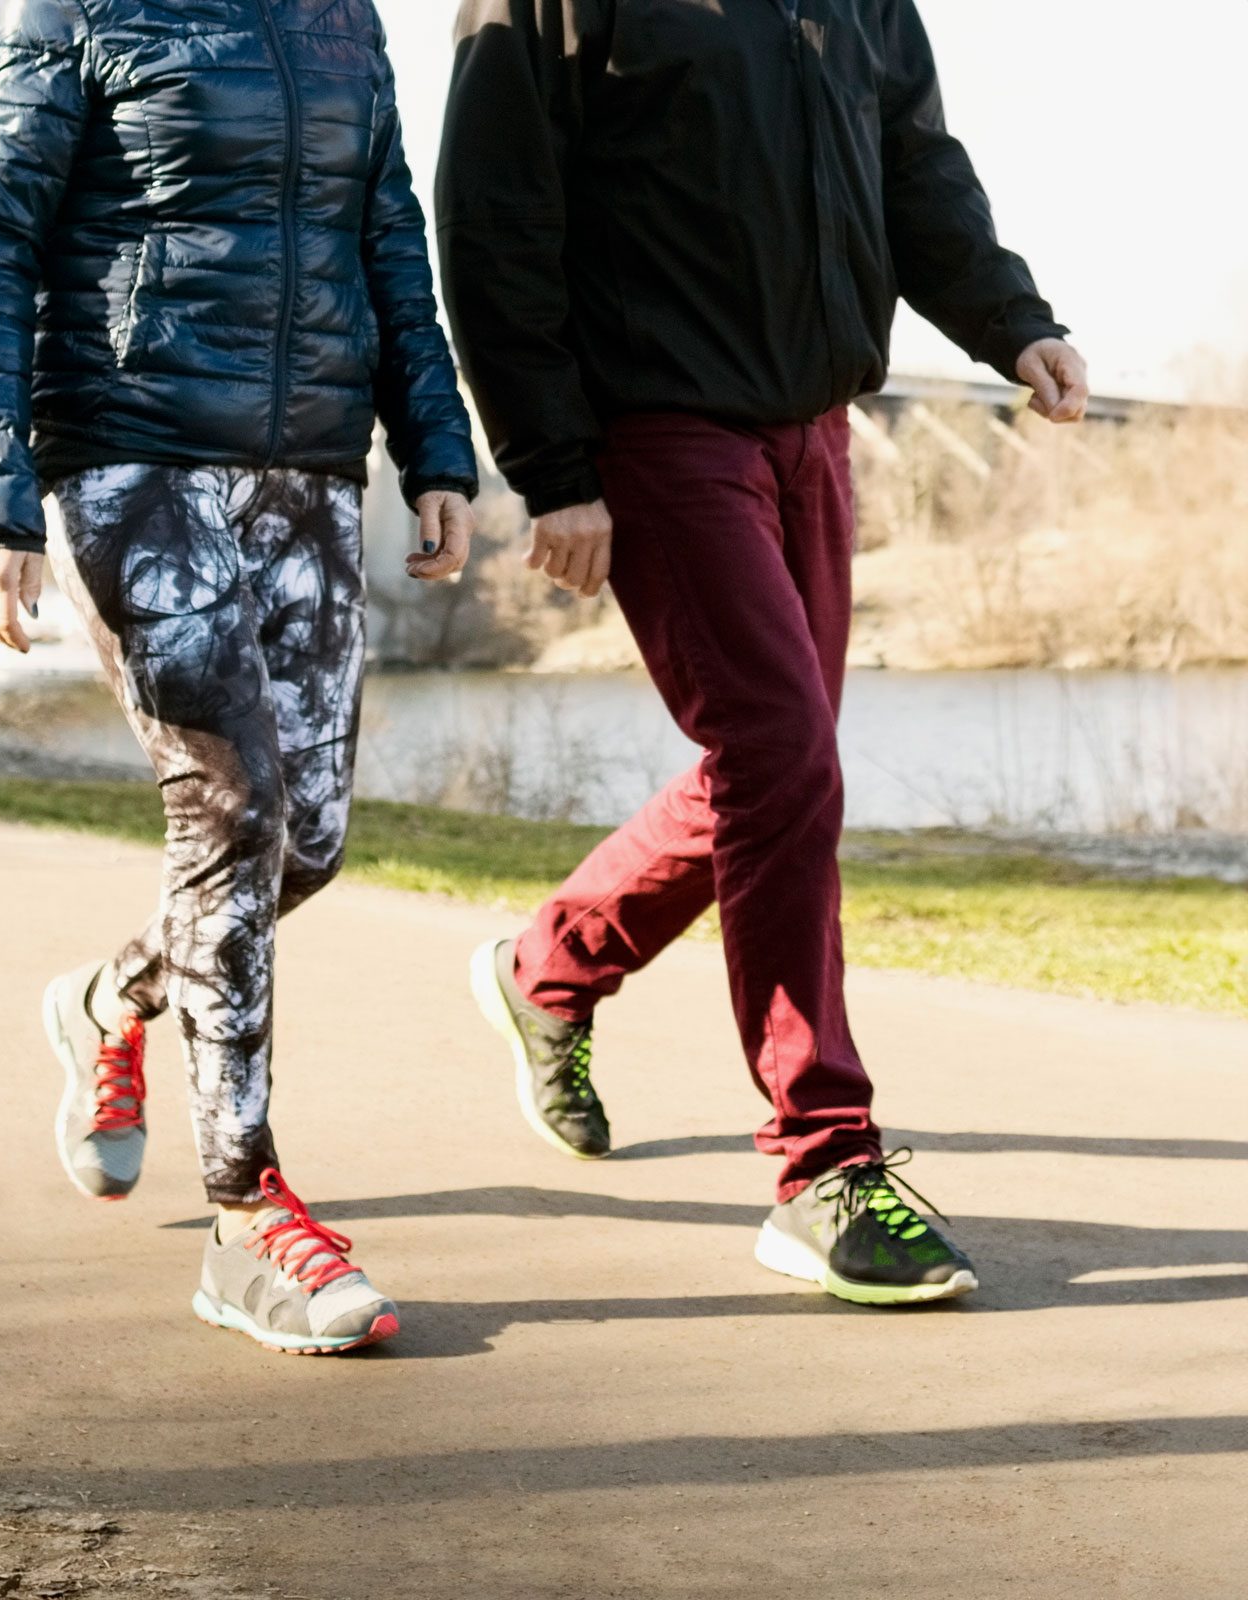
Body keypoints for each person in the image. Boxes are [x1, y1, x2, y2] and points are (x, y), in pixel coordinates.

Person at [437, 0, 1088, 1306]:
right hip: (662, 426)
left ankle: (550, 967)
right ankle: (823, 1168)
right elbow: (494, 215)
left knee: (777, 771)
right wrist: (553, 465)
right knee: (782, 757)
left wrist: (1010, 317)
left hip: (815, 428)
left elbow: (917, 169)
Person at [0, 0, 477, 1354]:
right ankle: (247, 1218)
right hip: (132, 450)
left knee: (312, 841)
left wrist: (438, 445)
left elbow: (388, 233)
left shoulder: (343, 19)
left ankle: (109, 998)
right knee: (228, 811)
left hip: (309, 465)